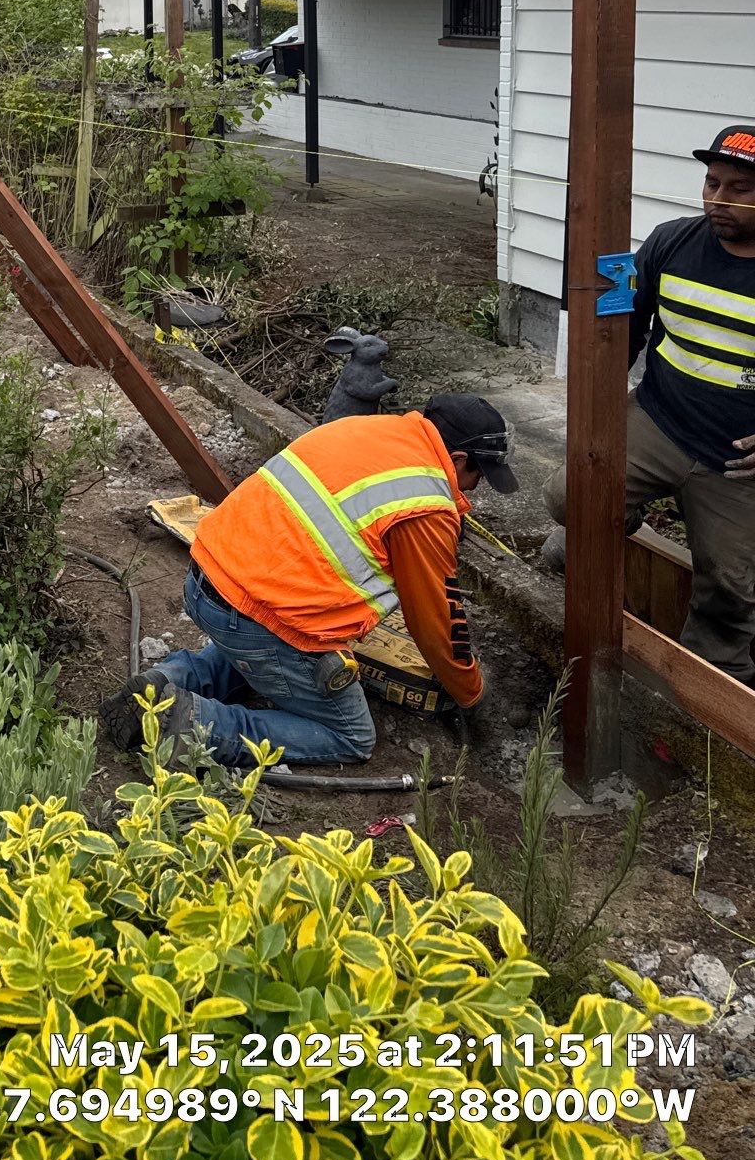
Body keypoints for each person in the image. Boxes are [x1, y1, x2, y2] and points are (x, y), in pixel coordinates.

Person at [99, 394, 516, 767]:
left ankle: (166, 682)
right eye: (480, 476)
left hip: (207, 579)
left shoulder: (368, 429)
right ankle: (194, 723)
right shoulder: (424, 507)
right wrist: (471, 693)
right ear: (458, 460)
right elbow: (437, 623)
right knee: (350, 736)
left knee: (258, 653)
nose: (476, 491)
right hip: (255, 618)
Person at [542, 125, 755, 683]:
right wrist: (599, 408)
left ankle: (711, 689)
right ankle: (602, 548)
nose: (718, 200)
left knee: (732, 585)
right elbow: (624, 327)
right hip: (659, 421)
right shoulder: (670, 242)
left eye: (738, 188)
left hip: (737, 461)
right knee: (572, 498)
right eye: (711, 183)